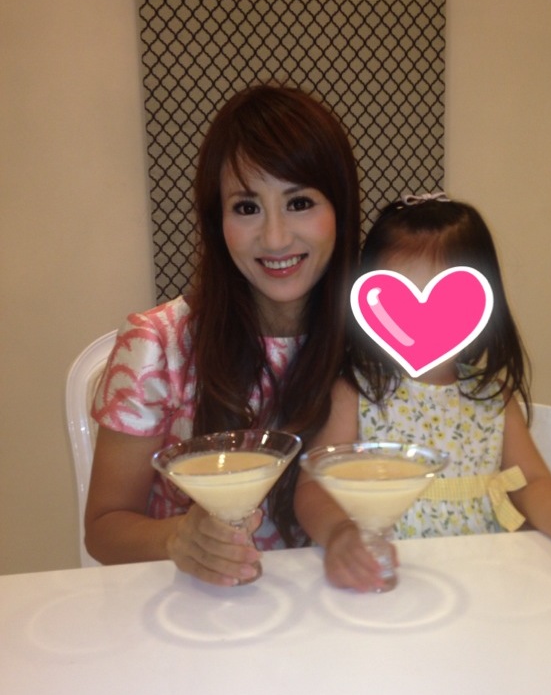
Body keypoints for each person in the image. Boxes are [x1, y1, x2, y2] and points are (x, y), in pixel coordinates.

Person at [85, 83, 361, 585]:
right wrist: (177, 538)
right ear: (217, 220)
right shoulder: (157, 344)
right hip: (199, 608)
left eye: (299, 202)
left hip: (334, 602)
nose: (275, 237)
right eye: (247, 207)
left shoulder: (374, 343)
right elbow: (104, 529)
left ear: (340, 210)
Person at [295, 193, 551, 590]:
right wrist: (339, 533)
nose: (422, 325)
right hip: (386, 580)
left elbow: (533, 483)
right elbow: (312, 487)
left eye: (445, 306)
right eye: (400, 303)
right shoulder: (359, 392)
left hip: (484, 581)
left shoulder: (493, 397)